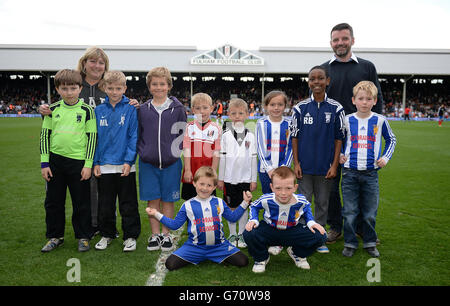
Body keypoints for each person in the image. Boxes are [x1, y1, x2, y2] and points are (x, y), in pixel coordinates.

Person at [39, 47, 139, 235]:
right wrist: (44, 110)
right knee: (82, 193)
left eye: (101, 62)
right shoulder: (74, 84)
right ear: (84, 63)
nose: (97, 65)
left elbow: (121, 107)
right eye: (92, 61)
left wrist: (132, 103)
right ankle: (88, 228)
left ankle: (103, 226)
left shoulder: (109, 86)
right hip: (77, 151)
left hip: (104, 149)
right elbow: (57, 113)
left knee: (105, 192)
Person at [321, 23, 384, 244]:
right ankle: (335, 226)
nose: (340, 43)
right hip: (330, 139)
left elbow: (378, 103)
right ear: (331, 43)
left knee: (359, 185)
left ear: (352, 40)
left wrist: (376, 138)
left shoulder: (366, 67)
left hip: (359, 138)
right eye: (336, 40)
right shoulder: (323, 70)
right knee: (331, 185)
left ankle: (361, 228)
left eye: (344, 39)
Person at [145, 166, 250, 271]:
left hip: (219, 247)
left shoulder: (219, 202)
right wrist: (156, 213)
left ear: (214, 187)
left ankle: (216, 255)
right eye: (201, 184)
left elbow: (233, 218)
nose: (204, 188)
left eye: (209, 185)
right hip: (195, 248)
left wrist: (245, 202)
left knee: (243, 261)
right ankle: (200, 256)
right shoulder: (187, 205)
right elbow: (174, 225)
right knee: (170, 264)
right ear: (194, 183)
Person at [39, 69, 96, 252]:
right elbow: (44, 137)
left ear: (80, 88)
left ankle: (83, 236)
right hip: (55, 163)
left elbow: (92, 138)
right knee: (53, 201)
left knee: (81, 202)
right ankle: (55, 236)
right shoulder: (52, 110)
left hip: (78, 162)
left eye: (73, 88)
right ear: (57, 89)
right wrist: (44, 163)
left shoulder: (87, 111)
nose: (69, 92)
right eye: (64, 88)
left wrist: (88, 164)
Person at [290, 66, 345, 254]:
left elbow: (339, 138)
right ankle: (303, 236)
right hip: (304, 167)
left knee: (323, 203)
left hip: (325, 168)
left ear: (327, 81)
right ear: (308, 82)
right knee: (303, 202)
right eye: (312, 79)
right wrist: (296, 163)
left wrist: (335, 164)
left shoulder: (336, 108)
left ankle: (319, 238)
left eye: (320, 78)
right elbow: (294, 137)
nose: (316, 82)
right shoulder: (300, 108)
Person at [340, 81, 396, 257]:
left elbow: (392, 140)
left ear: (374, 101)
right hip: (349, 172)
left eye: (368, 99)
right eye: (361, 98)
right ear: (353, 100)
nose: (364, 102)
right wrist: (341, 155)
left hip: (371, 174)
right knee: (350, 211)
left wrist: (385, 158)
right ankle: (350, 242)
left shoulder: (380, 120)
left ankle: (370, 242)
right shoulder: (347, 120)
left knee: (370, 212)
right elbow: (338, 142)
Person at [138, 66, 187, 252]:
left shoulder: (178, 109)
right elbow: (139, 134)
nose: (158, 87)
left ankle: (166, 235)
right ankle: (154, 234)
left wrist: (174, 154)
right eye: (154, 84)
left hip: (171, 164)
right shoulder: (142, 109)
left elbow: (182, 135)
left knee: (168, 200)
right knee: (153, 200)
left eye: (162, 84)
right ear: (149, 87)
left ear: (169, 86)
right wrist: (144, 152)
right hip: (148, 163)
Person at [243, 166, 327, 273]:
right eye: (278, 188)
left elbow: (306, 208)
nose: (283, 193)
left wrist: (311, 222)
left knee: (321, 235)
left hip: (292, 231)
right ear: (272, 187)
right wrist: (253, 220)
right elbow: (254, 206)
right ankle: (261, 258)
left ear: (295, 187)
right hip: (270, 230)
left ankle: (297, 253)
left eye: (288, 188)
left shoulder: (300, 200)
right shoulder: (266, 199)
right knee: (248, 233)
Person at [92, 71, 140, 252]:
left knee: (128, 203)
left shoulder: (130, 109)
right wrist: (96, 162)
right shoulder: (98, 110)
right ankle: (107, 234)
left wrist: (129, 160)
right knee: (105, 204)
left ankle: (130, 236)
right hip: (104, 166)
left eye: (118, 88)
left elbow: (133, 136)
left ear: (125, 88)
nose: (114, 91)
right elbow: (95, 138)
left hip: (125, 165)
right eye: (110, 88)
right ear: (104, 88)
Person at [256, 90, 293, 256]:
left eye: (280, 104)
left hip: (284, 172)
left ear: (285, 106)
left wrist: (283, 168)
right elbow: (260, 148)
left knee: (284, 202)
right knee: (269, 201)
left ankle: (283, 236)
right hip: (266, 171)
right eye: (272, 104)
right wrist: (271, 169)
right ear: (266, 106)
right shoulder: (262, 124)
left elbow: (291, 148)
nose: (276, 108)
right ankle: (270, 236)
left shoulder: (290, 124)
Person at [218, 98, 257, 248]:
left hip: (245, 179)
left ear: (247, 114)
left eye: (241, 113)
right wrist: (221, 179)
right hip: (229, 179)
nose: (237, 116)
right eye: (233, 113)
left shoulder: (250, 136)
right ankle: (232, 233)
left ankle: (241, 234)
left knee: (244, 205)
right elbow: (222, 158)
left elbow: (254, 159)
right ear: (228, 115)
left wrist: (253, 180)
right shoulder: (226, 135)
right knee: (231, 207)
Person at [181, 93, 221, 201]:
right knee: (190, 203)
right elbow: (187, 150)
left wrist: (213, 171)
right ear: (193, 110)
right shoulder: (188, 127)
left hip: (208, 174)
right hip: (192, 172)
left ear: (211, 109)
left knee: (208, 203)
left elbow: (216, 152)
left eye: (205, 108)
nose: (202, 111)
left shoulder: (216, 128)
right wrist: (188, 170)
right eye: (198, 108)